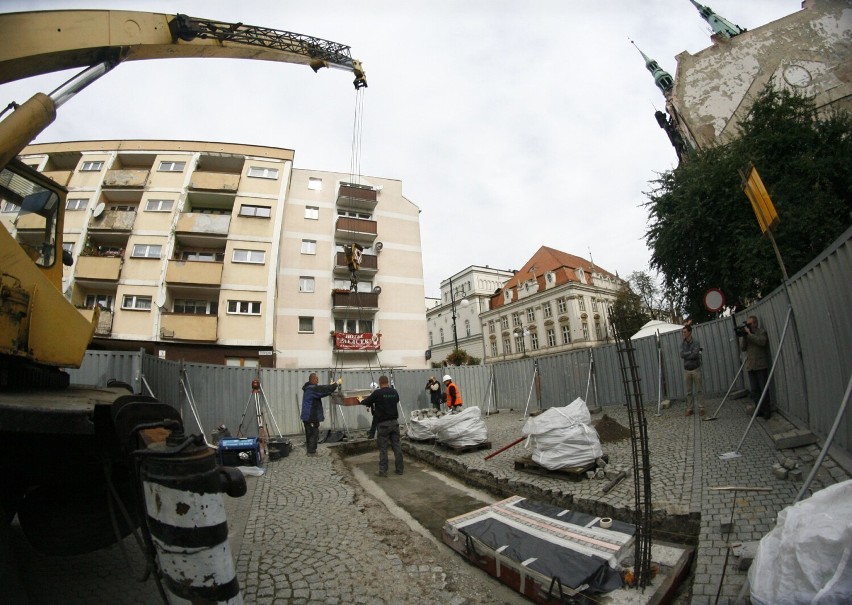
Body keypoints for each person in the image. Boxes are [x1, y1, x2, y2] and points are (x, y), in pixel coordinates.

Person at [359, 375, 404, 477]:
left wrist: (361, 399)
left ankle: (383, 471)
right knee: (397, 446)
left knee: (383, 448)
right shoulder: (394, 392)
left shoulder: (377, 393)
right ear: (387, 382)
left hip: (383, 425)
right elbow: (396, 400)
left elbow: (366, 402)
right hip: (394, 423)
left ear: (379, 383)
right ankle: (400, 469)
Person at [741, 315, 772, 419]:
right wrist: (745, 336)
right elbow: (743, 348)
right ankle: (759, 409)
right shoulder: (748, 335)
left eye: (750, 324)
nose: (749, 326)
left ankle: (767, 410)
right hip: (751, 366)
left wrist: (750, 335)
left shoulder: (761, 332)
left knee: (763, 389)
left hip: (760, 365)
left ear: (755, 323)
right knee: (755, 390)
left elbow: (762, 342)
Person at [300, 373, 340, 454]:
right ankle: (312, 452)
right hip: (311, 416)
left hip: (307, 416)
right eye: (316, 379)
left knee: (309, 433)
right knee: (313, 434)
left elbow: (322, 388)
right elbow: (323, 390)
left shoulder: (309, 388)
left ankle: (310, 450)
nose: (318, 380)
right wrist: (335, 384)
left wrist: (330, 386)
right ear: (312, 379)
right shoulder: (312, 389)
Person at [680, 325, 705, 416]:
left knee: (699, 390)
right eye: (683, 332)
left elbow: (695, 355)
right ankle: (690, 408)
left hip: (695, 369)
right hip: (687, 370)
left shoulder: (696, 342)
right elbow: (681, 354)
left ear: (690, 332)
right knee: (689, 391)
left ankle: (701, 407)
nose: (683, 333)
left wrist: (689, 354)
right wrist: (690, 352)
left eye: (685, 332)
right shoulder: (683, 343)